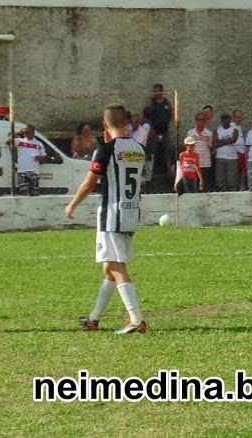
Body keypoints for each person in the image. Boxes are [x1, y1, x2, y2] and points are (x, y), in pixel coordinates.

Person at [70, 103, 149, 334]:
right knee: (109, 268)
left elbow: (89, 183)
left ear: (105, 124)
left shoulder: (105, 150)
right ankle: (94, 318)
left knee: (116, 266)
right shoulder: (139, 149)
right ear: (127, 122)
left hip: (112, 214)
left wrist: (72, 204)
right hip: (131, 211)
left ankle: (136, 320)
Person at [143, 84, 173, 180]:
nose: (156, 93)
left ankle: (170, 170)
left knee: (167, 150)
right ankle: (150, 172)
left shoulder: (166, 103)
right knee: (152, 151)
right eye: (154, 91)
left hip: (164, 131)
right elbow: (145, 113)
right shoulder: (151, 102)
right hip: (154, 132)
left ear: (162, 92)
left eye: (158, 91)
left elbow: (171, 114)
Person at [9, 126, 46, 196]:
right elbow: (8, 141)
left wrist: (39, 158)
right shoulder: (20, 141)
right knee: (24, 192)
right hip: (22, 170)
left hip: (34, 171)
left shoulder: (38, 144)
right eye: (25, 132)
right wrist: (17, 133)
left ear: (33, 133)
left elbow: (44, 155)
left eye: (28, 132)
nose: (26, 134)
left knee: (34, 193)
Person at [214, 114, 243, 192]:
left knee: (232, 180)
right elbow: (214, 143)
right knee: (221, 180)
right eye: (223, 119)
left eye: (227, 119)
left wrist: (221, 141)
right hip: (220, 157)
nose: (225, 121)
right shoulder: (218, 130)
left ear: (230, 120)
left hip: (232, 157)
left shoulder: (234, 129)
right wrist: (228, 141)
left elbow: (233, 139)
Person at [187, 112, 215, 190]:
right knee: (194, 184)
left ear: (205, 121)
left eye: (202, 120)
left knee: (205, 184)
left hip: (205, 162)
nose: (200, 121)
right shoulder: (190, 133)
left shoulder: (209, 133)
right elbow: (188, 147)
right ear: (196, 121)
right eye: (198, 120)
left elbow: (210, 147)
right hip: (193, 162)